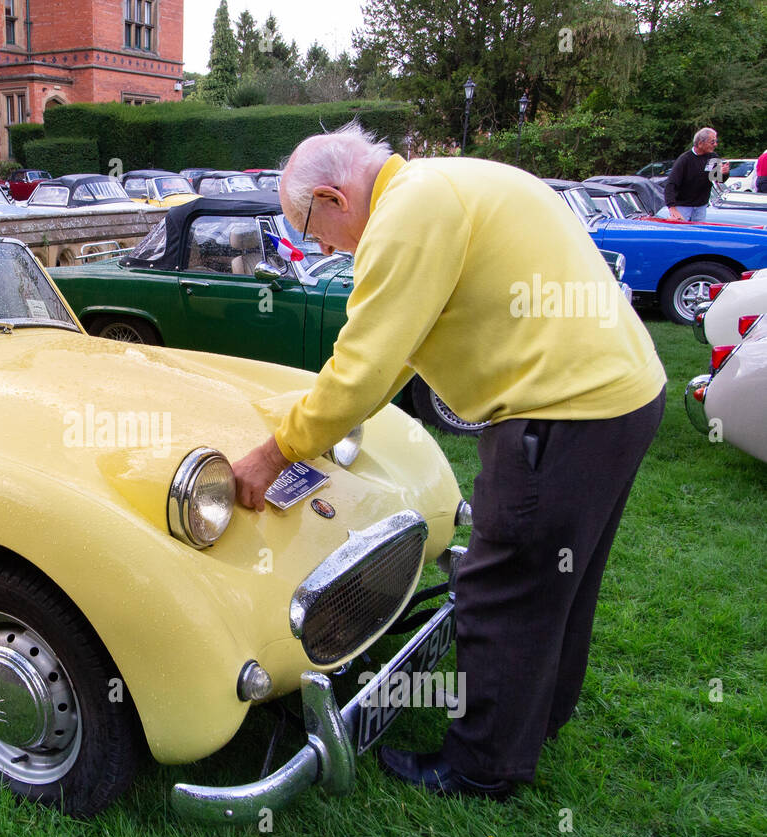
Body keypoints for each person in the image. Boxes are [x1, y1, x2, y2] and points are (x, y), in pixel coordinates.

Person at [232, 122, 666, 800]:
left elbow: (364, 369)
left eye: (313, 230)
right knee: (561, 581)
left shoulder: (406, 215)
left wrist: (273, 452)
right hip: (622, 399)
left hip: (560, 413)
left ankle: (482, 766)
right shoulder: (446, 182)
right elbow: (400, 345)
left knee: (502, 588)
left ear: (332, 196)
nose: (322, 248)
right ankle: (537, 716)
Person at [664, 127, 729, 221]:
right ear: (700, 143)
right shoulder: (685, 159)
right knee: (682, 233)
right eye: (712, 142)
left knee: (699, 232)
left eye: (716, 141)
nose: (715, 144)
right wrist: (672, 207)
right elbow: (671, 184)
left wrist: (724, 173)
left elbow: (718, 179)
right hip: (683, 206)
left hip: (701, 206)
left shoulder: (713, 157)